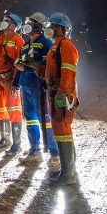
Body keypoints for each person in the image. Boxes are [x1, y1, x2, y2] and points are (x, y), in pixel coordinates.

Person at [12, 12, 59, 166]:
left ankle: (54, 154)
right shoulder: (25, 46)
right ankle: (35, 151)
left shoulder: (45, 43)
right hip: (26, 87)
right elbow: (18, 67)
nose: (27, 25)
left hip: (40, 88)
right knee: (31, 119)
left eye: (30, 22)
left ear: (38, 26)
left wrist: (26, 66)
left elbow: (48, 66)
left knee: (45, 119)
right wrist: (15, 84)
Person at [44, 12, 80, 186]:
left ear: (59, 28)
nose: (49, 29)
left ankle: (69, 175)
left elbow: (68, 72)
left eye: (51, 26)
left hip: (62, 95)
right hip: (55, 92)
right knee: (59, 130)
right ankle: (68, 171)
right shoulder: (55, 47)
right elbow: (52, 71)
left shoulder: (65, 45)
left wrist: (62, 93)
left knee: (63, 129)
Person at [0, 12, 25, 153]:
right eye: (3, 20)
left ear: (14, 25)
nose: (3, 22)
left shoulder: (18, 40)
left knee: (14, 110)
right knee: (0, 110)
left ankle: (17, 144)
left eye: (7, 21)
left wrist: (16, 83)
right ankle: (5, 140)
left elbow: (20, 63)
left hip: (11, 80)